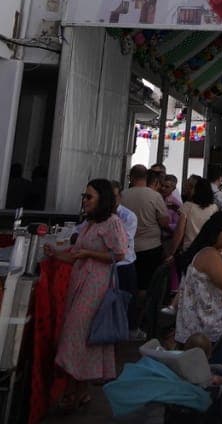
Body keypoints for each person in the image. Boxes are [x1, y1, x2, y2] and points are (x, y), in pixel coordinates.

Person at [47, 179, 128, 412]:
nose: (85, 200)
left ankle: (74, 391)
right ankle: (78, 391)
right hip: (82, 283)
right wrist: (54, 252)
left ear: (102, 199)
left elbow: (119, 254)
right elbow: (75, 255)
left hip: (96, 286)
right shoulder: (90, 224)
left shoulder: (112, 223)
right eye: (84, 196)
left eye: (89, 197)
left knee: (76, 334)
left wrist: (90, 254)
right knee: (79, 339)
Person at [175, 211, 222, 369]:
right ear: (215, 232)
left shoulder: (212, 252)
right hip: (207, 330)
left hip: (207, 326)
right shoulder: (209, 254)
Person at [122, 164, 170, 336]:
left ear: (131, 177)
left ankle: (127, 319)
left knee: (128, 285)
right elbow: (164, 222)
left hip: (128, 248)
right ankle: (140, 320)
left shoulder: (123, 195)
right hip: (150, 247)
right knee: (146, 287)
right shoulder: (155, 196)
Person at [109, 181, 139, 332]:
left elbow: (122, 243)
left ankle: (128, 331)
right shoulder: (97, 215)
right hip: (106, 265)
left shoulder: (128, 216)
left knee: (126, 301)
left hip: (123, 264)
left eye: (113, 196)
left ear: (120, 197)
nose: (111, 200)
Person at [171, 175, 218, 257]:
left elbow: (179, 232)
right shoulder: (214, 208)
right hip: (206, 249)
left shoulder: (187, 206)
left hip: (189, 249)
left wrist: (172, 252)